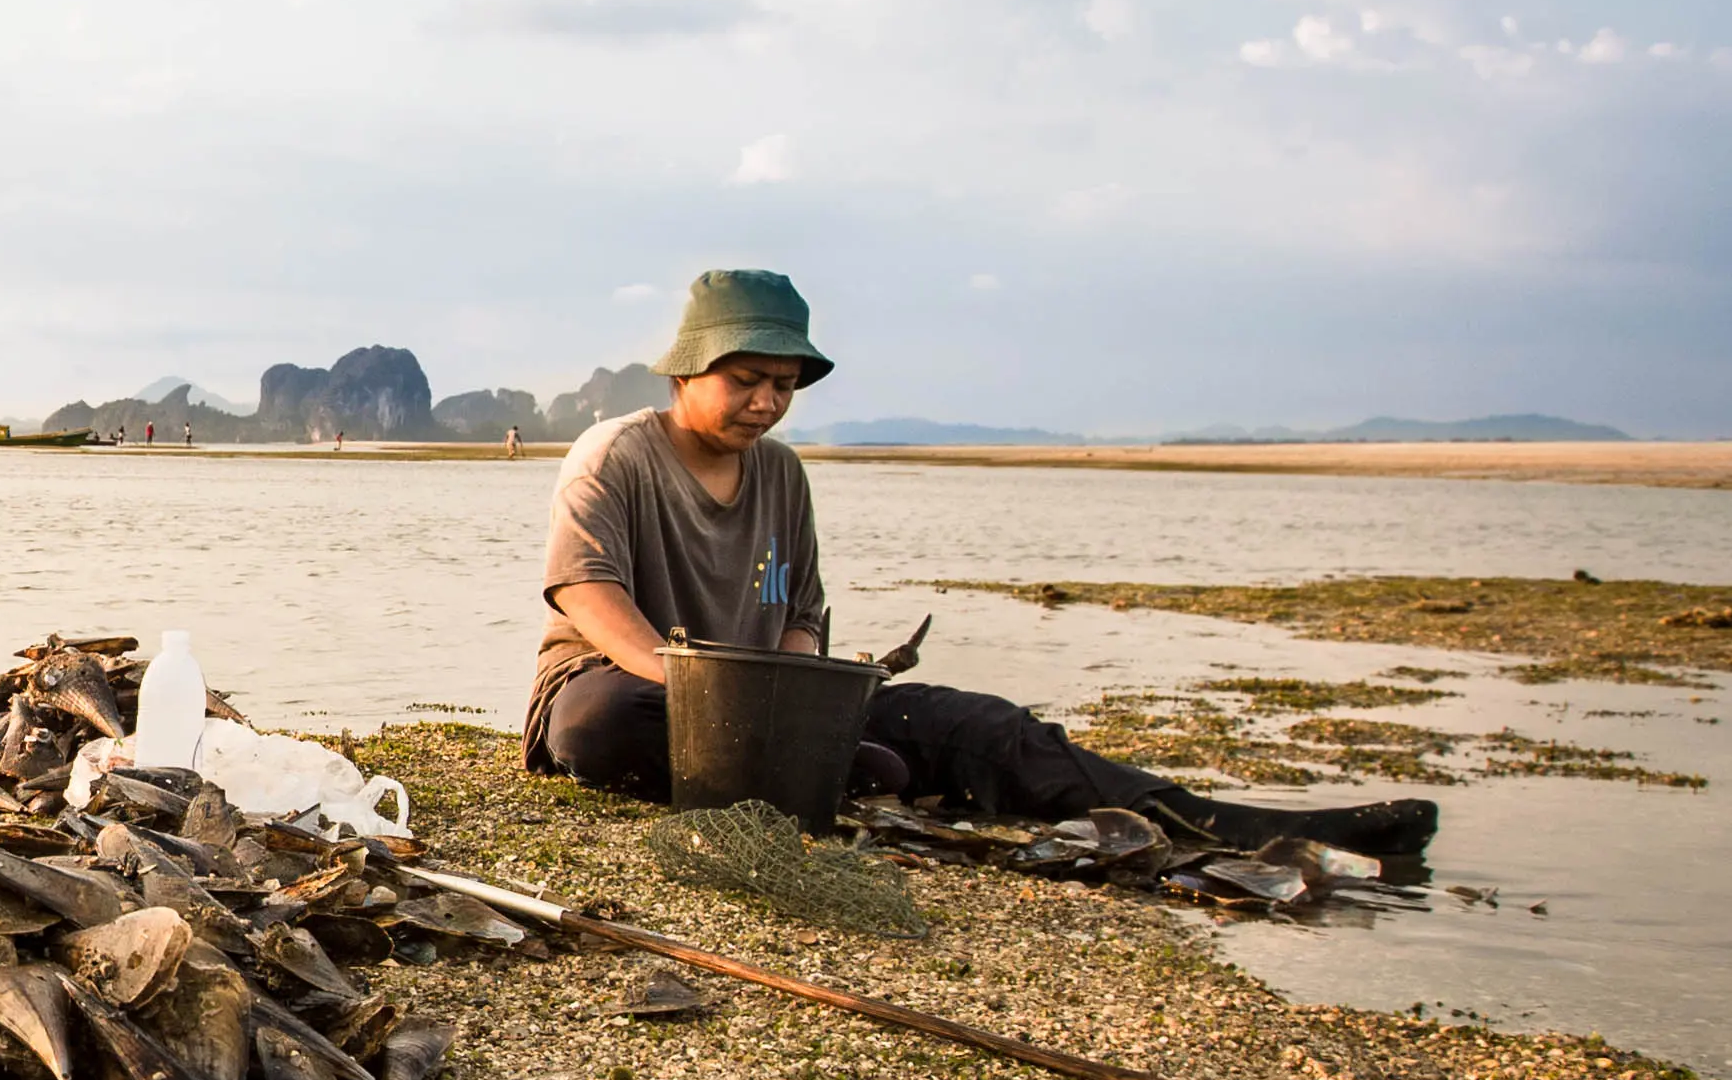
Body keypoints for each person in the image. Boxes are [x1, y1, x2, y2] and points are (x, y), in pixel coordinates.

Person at [527, 269, 1439, 858]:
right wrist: (706, 693)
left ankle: (1247, 828)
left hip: (772, 703)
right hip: (635, 689)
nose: (766, 402)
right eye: (746, 380)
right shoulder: (615, 454)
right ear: (687, 372)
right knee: (596, 724)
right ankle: (831, 768)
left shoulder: (783, 474)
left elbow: (799, 612)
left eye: (783, 385)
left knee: (991, 728)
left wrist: (795, 702)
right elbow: (585, 588)